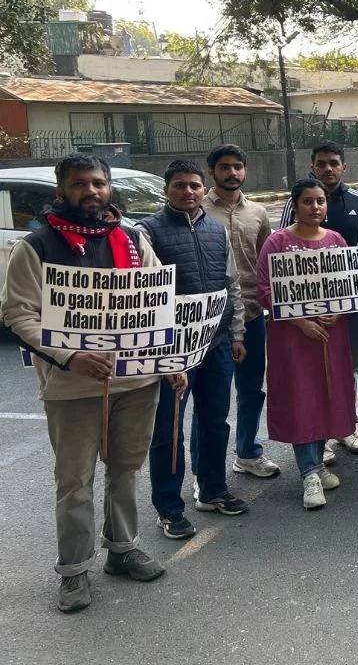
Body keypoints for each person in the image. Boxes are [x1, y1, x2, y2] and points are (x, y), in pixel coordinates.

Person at [2, 153, 185, 612]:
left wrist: (170, 360)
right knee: (75, 482)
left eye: (98, 183)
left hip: (137, 382)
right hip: (72, 388)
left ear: (108, 188)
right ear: (61, 191)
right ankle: (73, 571)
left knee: (125, 470)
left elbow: (157, 305)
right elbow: (17, 313)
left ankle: (122, 550)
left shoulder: (131, 237)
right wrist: (70, 356)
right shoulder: (37, 246)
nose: (91, 191)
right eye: (80, 184)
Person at [140, 160, 249, 540]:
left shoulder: (216, 230)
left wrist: (236, 335)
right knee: (169, 431)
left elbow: (231, 285)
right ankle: (169, 509)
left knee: (215, 421)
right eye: (180, 185)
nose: (189, 192)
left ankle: (214, 489)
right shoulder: (148, 232)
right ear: (167, 189)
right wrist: (162, 353)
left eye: (195, 186)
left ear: (205, 190)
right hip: (173, 353)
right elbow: (143, 297)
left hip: (217, 343)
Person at [258, 179, 357, 510]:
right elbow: (265, 290)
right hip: (293, 338)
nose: (315, 207)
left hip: (331, 334)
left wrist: (338, 312)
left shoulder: (337, 241)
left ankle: (316, 459)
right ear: (295, 205)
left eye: (321, 202)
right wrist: (301, 321)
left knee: (329, 393)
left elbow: (350, 285)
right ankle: (310, 473)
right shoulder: (278, 242)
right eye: (308, 202)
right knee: (302, 398)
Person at [280, 140, 358, 461]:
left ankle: (347, 426)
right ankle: (324, 434)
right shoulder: (294, 205)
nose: (328, 168)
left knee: (349, 367)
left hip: (347, 309)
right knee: (315, 370)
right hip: (305, 311)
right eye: (321, 163)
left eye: (334, 162)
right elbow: (283, 261)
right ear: (312, 167)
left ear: (344, 166)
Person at [203, 144, 279, 478]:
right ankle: (208, 473)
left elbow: (267, 261)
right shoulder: (199, 209)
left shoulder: (258, 213)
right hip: (212, 319)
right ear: (212, 171)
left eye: (237, 167)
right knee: (211, 399)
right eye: (224, 167)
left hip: (251, 314)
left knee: (251, 390)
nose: (231, 173)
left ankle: (248, 452)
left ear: (245, 171)